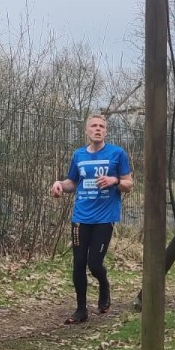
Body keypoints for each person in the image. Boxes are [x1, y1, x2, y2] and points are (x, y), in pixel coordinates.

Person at [51, 114, 132, 324]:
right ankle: (81, 310)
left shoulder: (117, 153)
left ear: (106, 131)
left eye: (101, 126)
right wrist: (59, 185)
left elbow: (129, 184)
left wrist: (114, 181)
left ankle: (104, 285)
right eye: (94, 126)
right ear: (86, 130)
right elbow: (72, 182)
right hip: (81, 217)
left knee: (94, 264)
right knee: (78, 263)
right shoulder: (78, 155)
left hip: (104, 218)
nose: (98, 129)